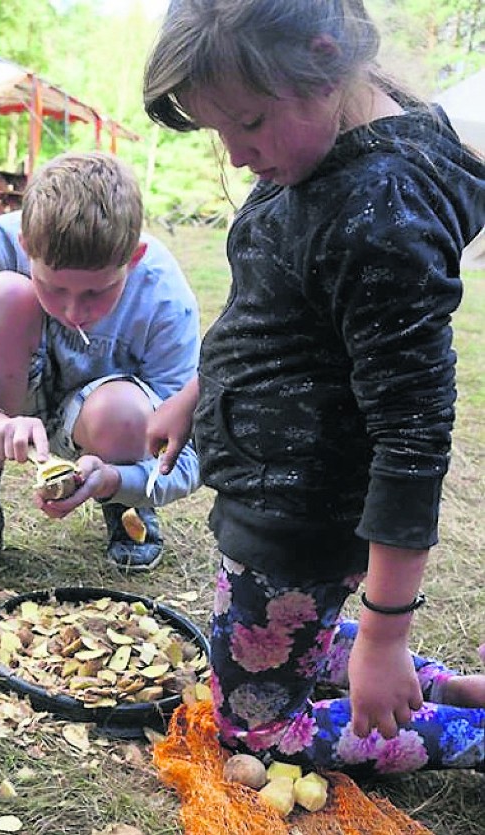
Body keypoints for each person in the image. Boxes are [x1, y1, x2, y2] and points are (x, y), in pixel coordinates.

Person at [143, 0, 485, 774]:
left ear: (322, 59)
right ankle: (451, 690)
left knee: (253, 730)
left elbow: (414, 432)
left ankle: (457, 726)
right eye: (219, 132)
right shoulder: (316, 152)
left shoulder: (382, 210)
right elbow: (282, 312)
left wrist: (389, 631)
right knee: (307, 639)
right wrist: (196, 392)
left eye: (249, 123)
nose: (235, 156)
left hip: (296, 512)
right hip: (280, 494)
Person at [0, 151, 201, 575]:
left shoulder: (164, 295)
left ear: (133, 259)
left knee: (124, 411)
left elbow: (188, 453)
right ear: (25, 247)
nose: (73, 312)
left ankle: (127, 510)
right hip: (13, 400)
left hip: (106, 421)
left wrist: (119, 480)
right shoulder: (1, 243)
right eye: (54, 287)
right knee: (5, 295)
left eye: (96, 292)